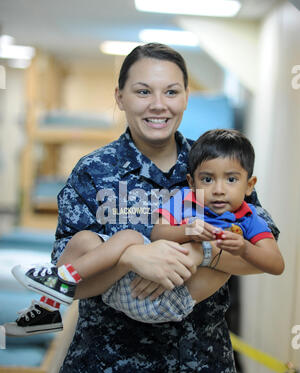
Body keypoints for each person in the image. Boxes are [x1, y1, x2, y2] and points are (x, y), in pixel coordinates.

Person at [4, 43, 281, 373]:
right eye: (142, 91)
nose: (158, 104)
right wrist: (130, 255)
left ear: (186, 97)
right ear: (120, 97)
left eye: (171, 91)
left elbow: (259, 256)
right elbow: (67, 280)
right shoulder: (93, 173)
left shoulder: (216, 167)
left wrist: (205, 254)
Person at [9, 128, 284, 325]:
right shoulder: (187, 201)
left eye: (232, 180)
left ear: (249, 185)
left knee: (132, 238)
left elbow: (275, 264)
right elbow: (158, 232)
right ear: (192, 182)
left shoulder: (248, 219)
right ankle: (52, 302)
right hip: (128, 285)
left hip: (169, 299)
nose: (219, 190)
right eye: (208, 180)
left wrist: (240, 249)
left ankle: (61, 284)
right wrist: (187, 231)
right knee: (84, 240)